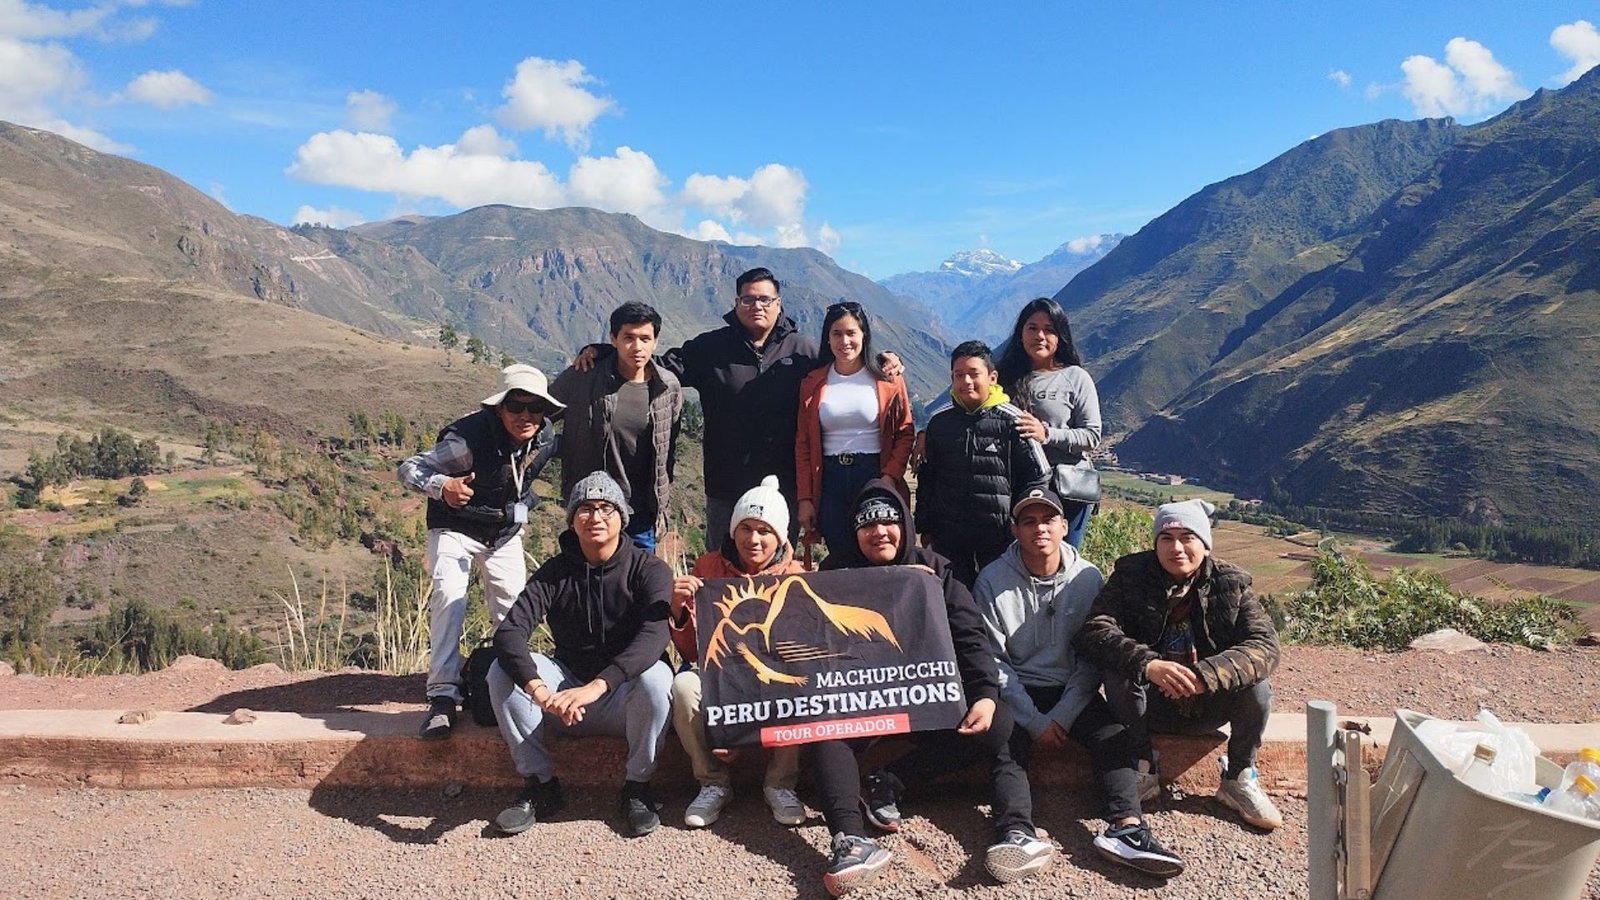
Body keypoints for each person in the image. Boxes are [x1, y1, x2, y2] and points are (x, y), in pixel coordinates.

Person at [809, 479, 1051, 894]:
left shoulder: (937, 570)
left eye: (888, 522)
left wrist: (986, 696)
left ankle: (1016, 832)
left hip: (927, 700)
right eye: (867, 526)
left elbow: (971, 636)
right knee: (826, 733)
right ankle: (849, 841)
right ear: (855, 532)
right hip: (863, 704)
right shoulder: (836, 572)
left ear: (905, 524)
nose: (879, 532)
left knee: (1003, 728)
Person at [573, 267, 901, 541]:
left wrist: (885, 360)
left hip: (784, 485)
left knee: (778, 573)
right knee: (721, 572)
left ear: (778, 303)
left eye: (764, 299)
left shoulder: (804, 352)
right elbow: (657, 365)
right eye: (748, 298)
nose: (756, 305)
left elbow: (847, 367)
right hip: (725, 486)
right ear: (736, 302)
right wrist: (605, 351)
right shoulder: (711, 347)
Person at [975, 488, 1184, 877]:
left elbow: (1092, 654)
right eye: (1029, 521)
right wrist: (1036, 722)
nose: (1040, 528)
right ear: (1015, 529)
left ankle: (1127, 828)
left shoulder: (1087, 577)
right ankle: (1016, 833)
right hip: (1017, 689)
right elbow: (994, 662)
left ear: (1064, 527)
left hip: (1072, 688)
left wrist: (1063, 716)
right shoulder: (990, 581)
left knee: (1112, 735)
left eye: (1048, 519)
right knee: (1007, 745)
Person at [1075, 499, 1284, 831]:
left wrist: (1206, 676)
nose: (1177, 548)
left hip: (1208, 704)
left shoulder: (1231, 584)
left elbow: (1264, 646)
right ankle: (1142, 766)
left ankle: (1239, 776)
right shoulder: (1130, 576)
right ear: (1155, 543)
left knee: (1257, 687)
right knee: (1119, 671)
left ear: (1204, 543)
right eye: (1166, 538)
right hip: (1147, 707)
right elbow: (1096, 629)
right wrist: (1150, 665)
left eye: (1188, 537)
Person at [486, 471, 675, 838]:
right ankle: (540, 786)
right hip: (564, 696)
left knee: (657, 678)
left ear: (622, 517)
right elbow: (509, 632)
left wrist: (600, 685)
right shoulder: (555, 573)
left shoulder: (648, 569)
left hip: (621, 698)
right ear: (572, 520)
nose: (596, 517)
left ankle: (637, 788)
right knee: (499, 671)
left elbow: (656, 635)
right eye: (585, 509)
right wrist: (542, 692)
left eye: (606, 508)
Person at [397, 363, 562, 740]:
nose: (525, 415)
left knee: (513, 610)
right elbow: (409, 468)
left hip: (502, 531)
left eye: (534, 407)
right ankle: (442, 697)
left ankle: (511, 686)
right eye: (516, 406)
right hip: (455, 526)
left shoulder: (545, 439)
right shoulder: (466, 441)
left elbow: (524, 483)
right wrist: (443, 486)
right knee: (449, 598)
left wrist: (520, 515)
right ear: (499, 408)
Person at [668, 475, 806, 828]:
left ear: (781, 537)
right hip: (720, 674)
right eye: (746, 528)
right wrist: (679, 611)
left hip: (772, 678)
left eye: (764, 530)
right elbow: (692, 652)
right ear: (732, 530)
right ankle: (713, 782)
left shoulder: (798, 575)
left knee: (803, 682)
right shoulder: (707, 568)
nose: (754, 540)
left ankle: (781, 783)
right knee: (684, 687)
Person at [549, 302, 683, 552]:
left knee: (638, 586)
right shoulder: (583, 376)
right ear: (613, 339)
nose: (637, 347)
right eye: (628, 338)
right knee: (586, 585)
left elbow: (668, 450)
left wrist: (662, 500)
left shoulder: (668, 388)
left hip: (641, 514)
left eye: (645, 338)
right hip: (592, 510)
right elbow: (539, 417)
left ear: (655, 342)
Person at [916, 340, 1049, 587]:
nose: (966, 381)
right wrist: (924, 526)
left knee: (998, 599)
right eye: (959, 375)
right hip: (949, 536)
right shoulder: (939, 423)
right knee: (955, 603)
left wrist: (1020, 524)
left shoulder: (1014, 421)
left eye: (974, 374)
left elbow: (1038, 477)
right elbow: (928, 477)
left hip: (998, 538)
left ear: (992, 377)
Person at [794, 301, 914, 557]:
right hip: (830, 481)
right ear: (827, 338)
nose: (844, 341)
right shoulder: (813, 383)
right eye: (837, 333)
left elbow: (905, 431)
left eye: (851, 333)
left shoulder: (887, 379)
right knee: (841, 555)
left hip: (873, 474)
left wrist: (889, 477)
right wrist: (805, 498)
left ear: (864, 335)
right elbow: (803, 444)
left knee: (878, 554)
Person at [996, 297, 1102, 548]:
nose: (1040, 336)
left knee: (1063, 560)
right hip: (1017, 487)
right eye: (1032, 328)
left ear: (1060, 336)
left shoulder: (1076, 377)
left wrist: (1047, 434)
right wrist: (928, 432)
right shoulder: (1001, 378)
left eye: (1049, 329)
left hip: (1067, 489)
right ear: (1020, 333)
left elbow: (1091, 436)